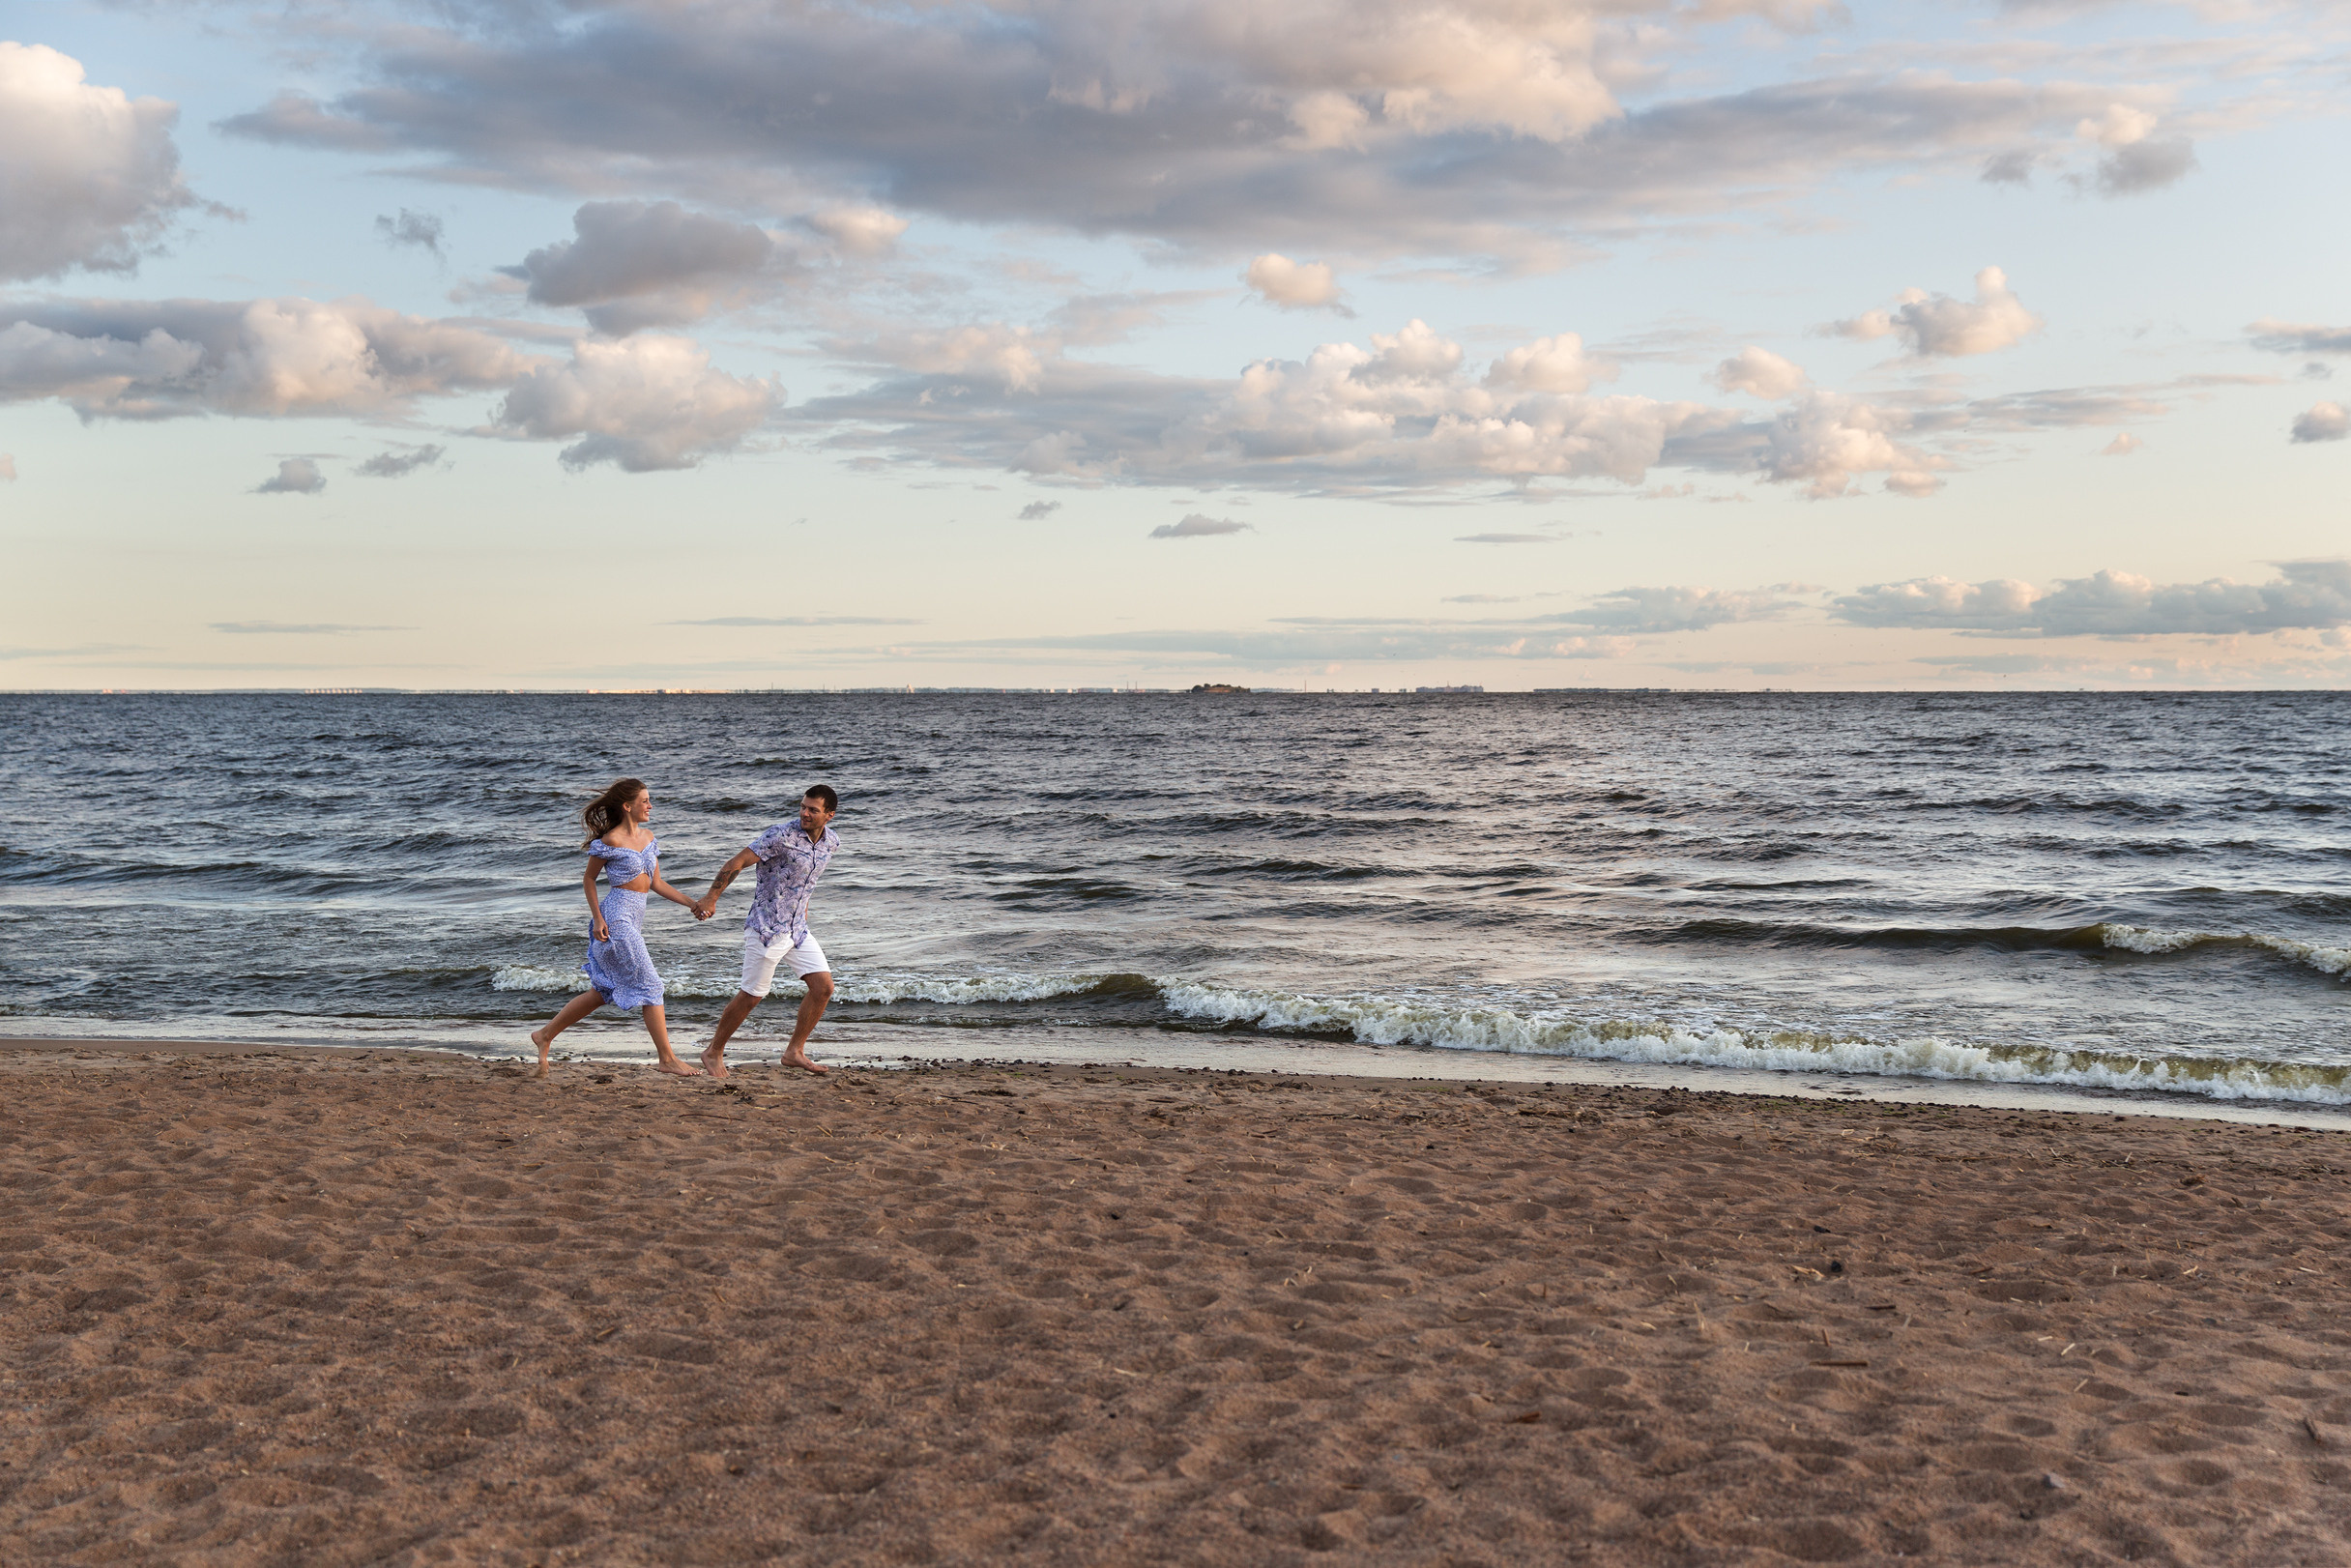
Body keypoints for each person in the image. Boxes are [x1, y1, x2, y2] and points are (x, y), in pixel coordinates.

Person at [529, 778, 706, 1079]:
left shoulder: (648, 837)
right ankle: (667, 1058)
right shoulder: (610, 841)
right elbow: (589, 879)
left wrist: (693, 904)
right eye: (645, 801)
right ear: (627, 806)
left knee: (603, 990)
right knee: (652, 986)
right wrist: (598, 919)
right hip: (616, 918)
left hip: (634, 919)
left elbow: (657, 883)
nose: (650, 806)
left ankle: (545, 1034)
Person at [692, 786, 842, 1079]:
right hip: (767, 929)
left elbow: (806, 881)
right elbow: (736, 862)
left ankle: (794, 1052)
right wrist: (711, 898)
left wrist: (802, 907)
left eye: (813, 810)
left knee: (823, 987)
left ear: (829, 815)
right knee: (751, 995)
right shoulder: (780, 836)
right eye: (803, 806)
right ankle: (713, 1051)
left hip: (798, 930)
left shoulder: (831, 842)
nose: (805, 813)